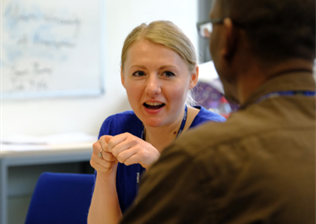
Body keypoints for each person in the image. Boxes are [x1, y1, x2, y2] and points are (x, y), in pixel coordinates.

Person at [119, 0, 316, 223]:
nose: (152, 88)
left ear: (228, 38)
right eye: (139, 73)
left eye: (210, 27)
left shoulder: (202, 157)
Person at [87, 20, 226, 224]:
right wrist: (105, 173)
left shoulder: (215, 136)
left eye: (167, 74)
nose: (152, 87)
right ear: (123, 77)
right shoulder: (115, 129)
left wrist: (160, 168)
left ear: (193, 77)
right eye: (139, 73)